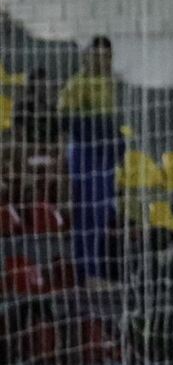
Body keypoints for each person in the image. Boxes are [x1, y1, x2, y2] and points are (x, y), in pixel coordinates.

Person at [58, 36, 124, 285]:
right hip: (86, 155)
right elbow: (67, 125)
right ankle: (86, 274)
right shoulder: (77, 84)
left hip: (104, 157)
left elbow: (110, 122)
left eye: (106, 57)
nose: (102, 61)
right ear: (87, 57)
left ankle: (97, 271)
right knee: (87, 215)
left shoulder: (109, 83)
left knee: (102, 216)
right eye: (97, 56)